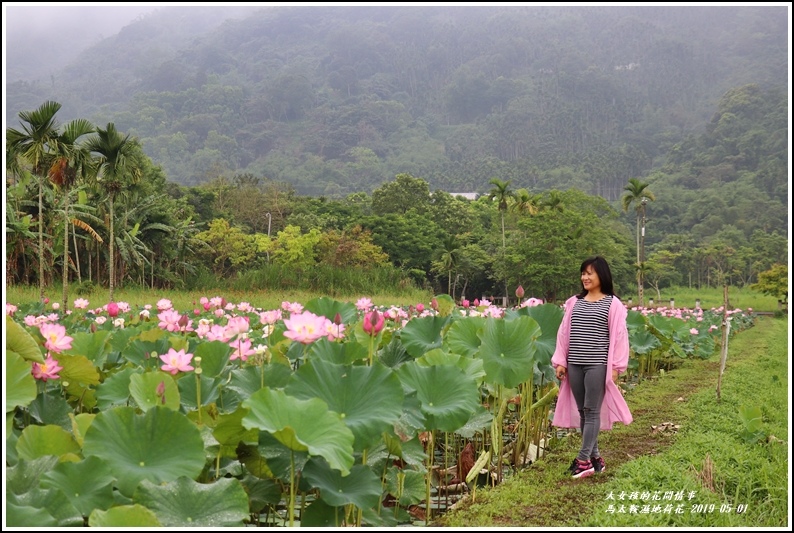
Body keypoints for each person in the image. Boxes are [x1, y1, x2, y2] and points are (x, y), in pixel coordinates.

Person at [551, 256, 633, 479]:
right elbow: (563, 333)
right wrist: (561, 360)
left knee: (591, 410)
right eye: (583, 273)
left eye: (590, 273)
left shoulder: (613, 304)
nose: (585, 277)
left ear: (601, 276)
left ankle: (583, 459)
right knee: (582, 412)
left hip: (597, 364)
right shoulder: (574, 302)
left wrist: (616, 367)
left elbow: (619, 336)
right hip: (575, 363)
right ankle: (596, 458)